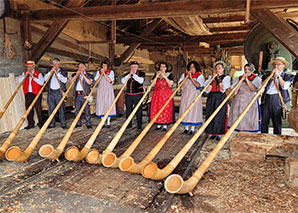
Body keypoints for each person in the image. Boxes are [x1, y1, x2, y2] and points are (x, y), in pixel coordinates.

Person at [261, 56, 294, 135]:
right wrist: (270, 76)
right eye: (274, 64)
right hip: (266, 99)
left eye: (278, 64)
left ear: (283, 66)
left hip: (278, 99)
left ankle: (277, 139)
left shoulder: (287, 76)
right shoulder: (267, 75)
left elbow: (284, 86)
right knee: (264, 121)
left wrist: (278, 76)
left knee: (277, 122)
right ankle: (263, 138)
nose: (276, 66)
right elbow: (261, 86)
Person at [228, 63, 262, 132]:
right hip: (239, 99)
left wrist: (246, 80)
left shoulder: (256, 78)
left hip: (250, 99)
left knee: (248, 116)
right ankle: (238, 130)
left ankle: (249, 131)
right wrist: (241, 80)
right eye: (245, 69)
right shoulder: (239, 78)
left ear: (252, 70)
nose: (246, 71)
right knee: (238, 115)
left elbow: (253, 89)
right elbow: (235, 89)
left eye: (249, 69)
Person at [204, 61, 231, 140]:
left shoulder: (226, 78)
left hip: (220, 97)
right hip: (211, 96)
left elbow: (223, 87)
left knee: (220, 114)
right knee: (210, 113)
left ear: (223, 69)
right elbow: (207, 89)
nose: (217, 70)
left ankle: (219, 133)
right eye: (216, 68)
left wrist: (218, 79)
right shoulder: (210, 78)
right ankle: (212, 132)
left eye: (219, 68)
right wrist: (212, 79)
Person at [178, 60, 204, 135]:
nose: (191, 69)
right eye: (190, 67)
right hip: (186, 95)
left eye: (193, 67)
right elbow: (180, 84)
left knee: (193, 111)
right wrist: (186, 77)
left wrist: (191, 78)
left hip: (194, 96)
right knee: (185, 110)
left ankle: (192, 128)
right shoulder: (184, 75)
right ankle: (186, 128)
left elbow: (198, 85)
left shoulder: (199, 76)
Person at [18, 60, 45, 129]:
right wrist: (25, 76)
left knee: (38, 109)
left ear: (34, 67)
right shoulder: (24, 73)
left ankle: (41, 123)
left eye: (31, 67)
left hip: (36, 93)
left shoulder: (38, 74)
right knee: (28, 109)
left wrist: (33, 76)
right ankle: (30, 124)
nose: (29, 68)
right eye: (28, 67)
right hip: (28, 93)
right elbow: (19, 81)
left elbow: (41, 83)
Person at [150, 61, 175, 131]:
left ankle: (165, 125)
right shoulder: (156, 74)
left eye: (164, 67)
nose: (162, 68)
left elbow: (170, 84)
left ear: (166, 68)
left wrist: (164, 76)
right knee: (157, 108)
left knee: (165, 108)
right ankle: (158, 124)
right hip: (157, 94)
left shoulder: (169, 75)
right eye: (161, 67)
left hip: (166, 94)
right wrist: (157, 76)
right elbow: (153, 84)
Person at [121, 61, 145, 130]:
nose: (133, 68)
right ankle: (128, 124)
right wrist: (129, 75)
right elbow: (123, 81)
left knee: (138, 110)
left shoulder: (141, 73)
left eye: (135, 66)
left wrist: (134, 75)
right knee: (128, 110)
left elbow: (141, 81)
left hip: (138, 95)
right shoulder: (127, 74)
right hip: (129, 95)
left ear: (137, 67)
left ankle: (139, 125)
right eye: (132, 66)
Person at [44, 58, 68, 129]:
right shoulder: (49, 71)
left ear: (59, 64)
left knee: (61, 109)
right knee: (51, 109)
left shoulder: (63, 71)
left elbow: (64, 80)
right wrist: (50, 72)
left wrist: (57, 73)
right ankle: (51, 124)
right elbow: (45, 79)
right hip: (51, 92)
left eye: (56, 64)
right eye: (53, 64)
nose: (54, 66)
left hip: (59, 92)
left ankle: (63, 123)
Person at [72, 62, 94, 129]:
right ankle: (78, 123)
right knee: (77, 110)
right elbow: (72, 81)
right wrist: (77, 75)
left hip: (85, 95)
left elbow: (89, 82)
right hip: (77, 95)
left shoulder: (89, 75)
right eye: (79, 67)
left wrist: (83, 75)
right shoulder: (76, 75)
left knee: (87, 110)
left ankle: (88, 123)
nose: (80, 68)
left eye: (81, 67)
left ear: (85, 68)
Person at [94, 61, 116, 128]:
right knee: (101, 104)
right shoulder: (98, 72)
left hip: (108, 90)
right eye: (103, 66)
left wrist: (104, 74)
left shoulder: (111, 72)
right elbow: (96, 81)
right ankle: (102, 121)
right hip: (101, 90)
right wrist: (101, 74)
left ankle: (108, 122)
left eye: (105, 66)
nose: (104, 67)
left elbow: (110, 81)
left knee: (108, 104)